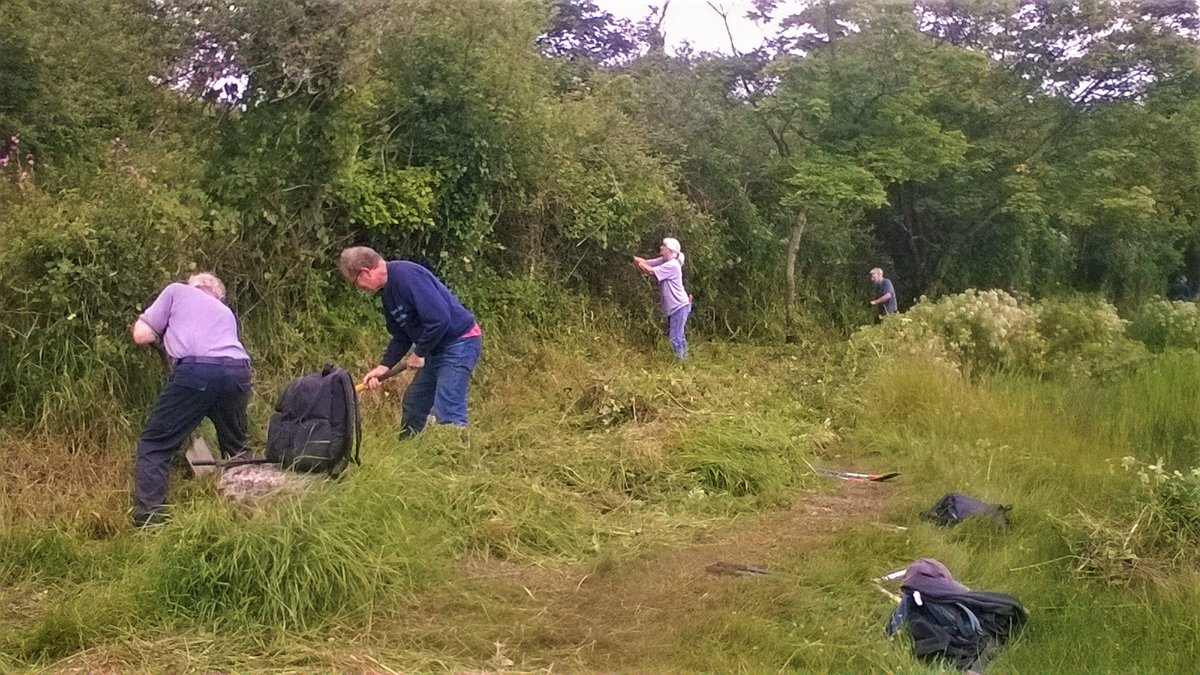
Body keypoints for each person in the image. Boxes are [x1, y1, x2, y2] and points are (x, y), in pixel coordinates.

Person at [130, 272, 252, 528]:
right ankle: (248, 511)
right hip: (238, 371)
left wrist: (163, 331)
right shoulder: (225, 312)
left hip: (197, 371)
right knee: (236, 447)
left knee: (155, 443)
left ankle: (151, 522)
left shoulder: (177, 291)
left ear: (193, 286)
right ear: (218, 295)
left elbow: (142, 336)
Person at [339, 246, 482, 438]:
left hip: (459, 342)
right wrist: (383, 367)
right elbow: (402, 336)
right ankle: (411, 453)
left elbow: (440, 319)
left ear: (365, 272)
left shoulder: (406, 276)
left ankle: (456, 460)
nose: (359, 289)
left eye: (356, 283)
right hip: (435, 347)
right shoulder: (387, 292)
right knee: (414, 403)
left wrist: (419, 353)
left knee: (447, 407)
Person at [634, 237, 692, 359]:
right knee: (679, 335)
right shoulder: (665, 261)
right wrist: (633, 259)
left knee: (674, 337)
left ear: (669, 250)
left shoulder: (672, 265)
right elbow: (647, 263)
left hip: (679, 306)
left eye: (663, 246)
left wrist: (640, 265)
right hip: (677, 306)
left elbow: (649, 271)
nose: (661, 247)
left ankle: (680, 362)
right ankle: (684, 359)